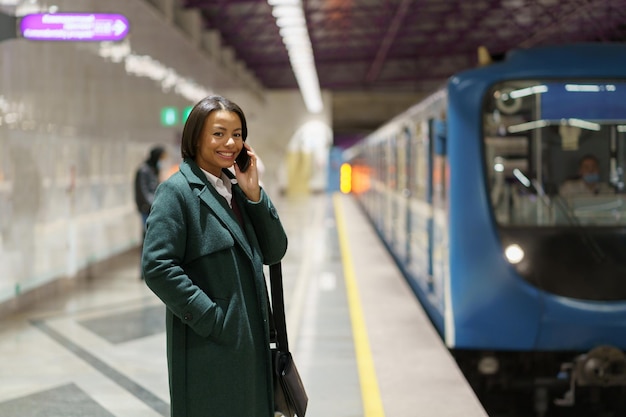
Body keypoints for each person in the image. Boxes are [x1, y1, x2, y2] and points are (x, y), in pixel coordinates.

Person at [141, 95, 288, 417]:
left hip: (250, 346)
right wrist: (212, 319)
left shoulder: (235, 190)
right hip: (209, 349)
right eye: (219, 133)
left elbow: (275, 251)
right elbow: (156, 266)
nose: (230, 143)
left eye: (237, 134)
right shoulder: (177, 192)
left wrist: (254, 195)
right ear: (195, 138)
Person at [134, 145, 167, 233]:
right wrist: (153, 204)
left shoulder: (154, 169)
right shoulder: (144, 170)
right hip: (147, 207)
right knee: (148, 232)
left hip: (153, 207)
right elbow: (143, 190)